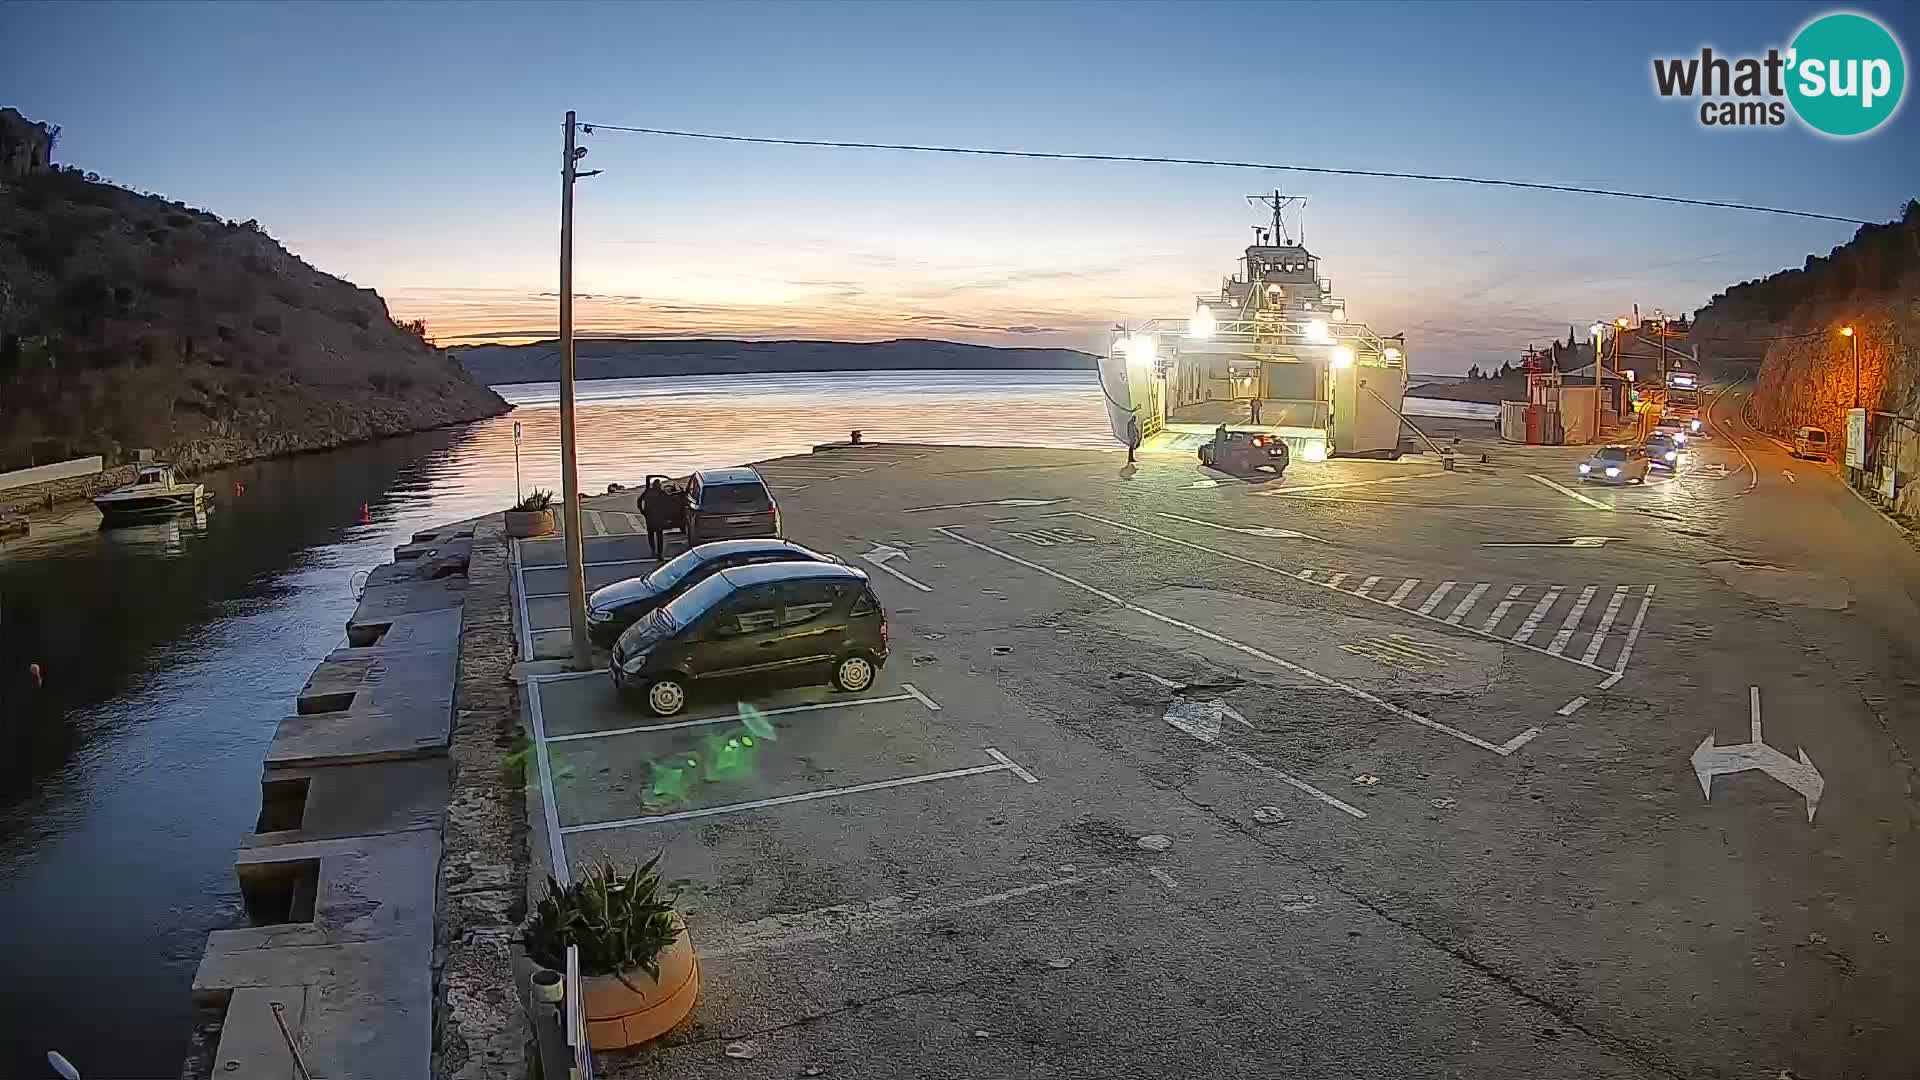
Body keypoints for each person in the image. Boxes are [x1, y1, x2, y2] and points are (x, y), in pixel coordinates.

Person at [639, 479, 674, 560]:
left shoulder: (648, 491)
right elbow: (670, 501)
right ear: (659, 485)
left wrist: (642, 510)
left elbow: (639, 500)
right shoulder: (661, 492)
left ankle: (653, 550)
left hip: (649, 516)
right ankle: (660, 553)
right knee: (659, 535)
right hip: (659, 516)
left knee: (651, 534)